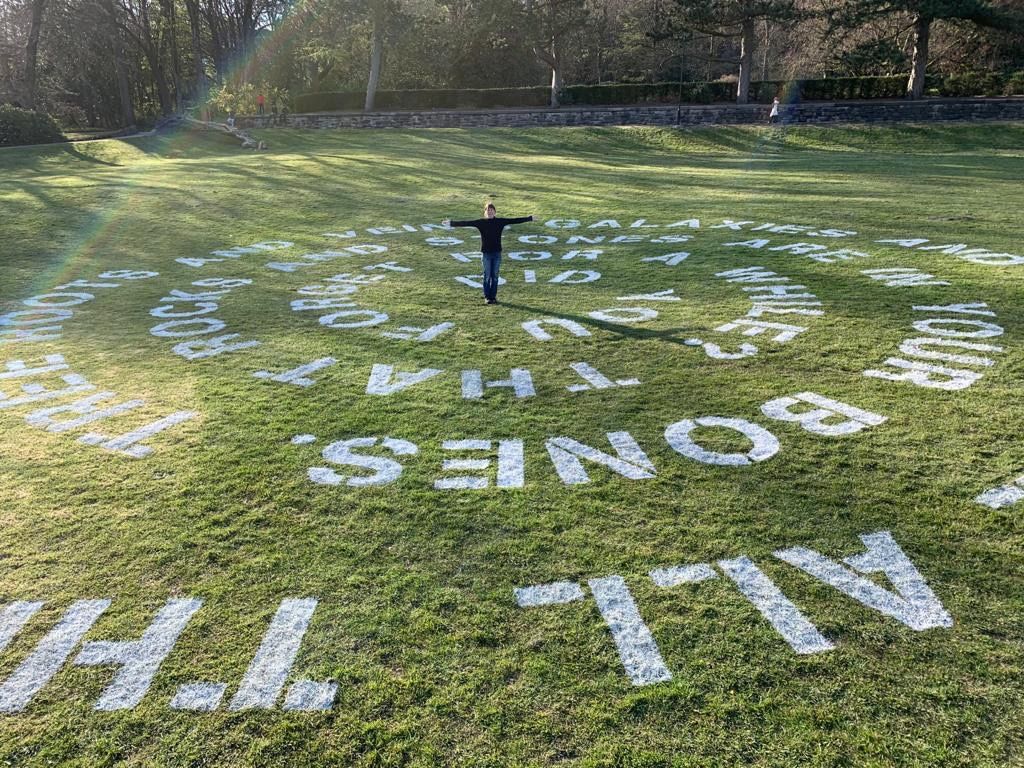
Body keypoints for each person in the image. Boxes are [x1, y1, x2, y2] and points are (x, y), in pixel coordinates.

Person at [444, 203, 533, 304]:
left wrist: (529, 218)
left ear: (495, 212)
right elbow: (466, 223)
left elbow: (515, 220)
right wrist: (451, 223)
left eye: (491, 210)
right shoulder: (481, 222)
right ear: (485, 212)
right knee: (487, 276)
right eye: (488, 210)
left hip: (497, 253)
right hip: (486, 254)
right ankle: (487, 297)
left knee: (495, 276)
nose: (490, 212)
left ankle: (493, 297)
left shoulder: (500, 221)